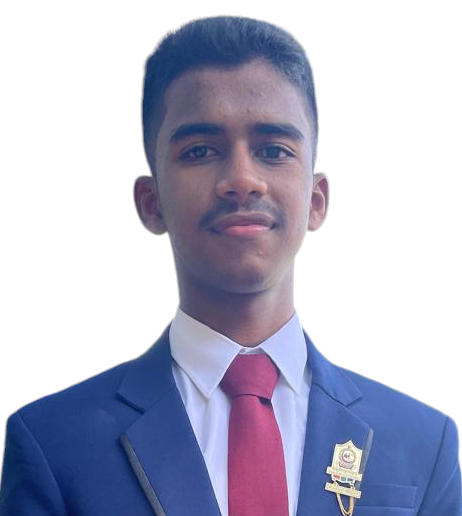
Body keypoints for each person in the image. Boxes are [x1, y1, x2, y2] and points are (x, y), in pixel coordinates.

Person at [0, 15, 460, 516]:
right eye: (200, 151)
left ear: (316, 200)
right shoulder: (54, 445)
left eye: (273, 150)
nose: (242, 179)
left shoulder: (423, 445)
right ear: (151, 202)